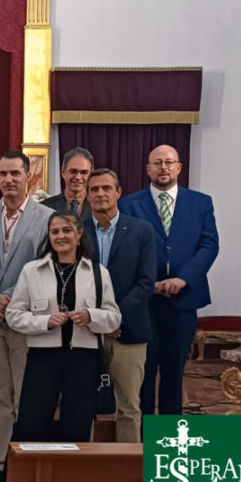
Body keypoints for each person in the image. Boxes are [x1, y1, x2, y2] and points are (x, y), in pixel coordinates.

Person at [0, 151, 53, 482]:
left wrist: (12, 299)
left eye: (15, 173)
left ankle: (27, 460)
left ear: (28, 176)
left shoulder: (46, 217)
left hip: (28, 319)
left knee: (25, 392)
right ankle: (1, 462)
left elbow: (46, 266)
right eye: (3, 174)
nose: (9, 180)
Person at [5, 212, 121, 453]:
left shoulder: (99, 273)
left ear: (79, 234)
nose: (61, 236)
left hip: (84, 360)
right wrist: (45, 321)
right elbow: (13, 315)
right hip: (42, 358)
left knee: (76, 428)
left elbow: (114, 318)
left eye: (67, 230)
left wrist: (91, 317)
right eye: (55, 231)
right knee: (30, 424)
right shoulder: (32, 271)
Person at [120, 145, 219, 416]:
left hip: (184, 300)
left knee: (174, 371)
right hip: (145, 301)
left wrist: (183, 279)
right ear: (148, 169)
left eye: (169, 162)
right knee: (145, 369)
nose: (163, 167)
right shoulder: (128, 204)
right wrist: (147, 282)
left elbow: (209, 246)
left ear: (179, 167)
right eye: (157, 163)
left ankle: (169, 437)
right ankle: (142, 440)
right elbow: (125, 250)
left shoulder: (201, 203)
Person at [83, 168, 156, 442]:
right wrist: (97, 321)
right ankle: (83, 475)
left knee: (129, 407)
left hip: (130, 331)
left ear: (118, 192)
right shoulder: (79, 232)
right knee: (83, 406)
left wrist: (114, 320)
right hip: (86, 332)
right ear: (87, 196)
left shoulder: (141, 231)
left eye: (106, 188)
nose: (100, 194)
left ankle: (129, 476)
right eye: (94, 190)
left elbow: (146, 282)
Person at [42, 147, 94, 222]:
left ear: (91, 174)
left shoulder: (99, 207)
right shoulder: (45, 208)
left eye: (84, 172)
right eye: (73, 171)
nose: (78, 177)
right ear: (63, 172)